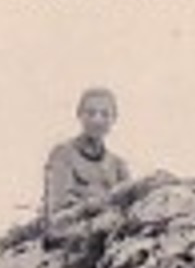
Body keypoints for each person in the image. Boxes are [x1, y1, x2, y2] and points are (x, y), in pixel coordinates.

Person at [43, 87, 131, 219]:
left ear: (114, 119)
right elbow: (58, 212)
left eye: (105, 114)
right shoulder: (63, 155)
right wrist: (91, 206)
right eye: (91, 113)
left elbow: (129, 204)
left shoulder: (118, 165)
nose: (97, 120)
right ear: (79, 115)